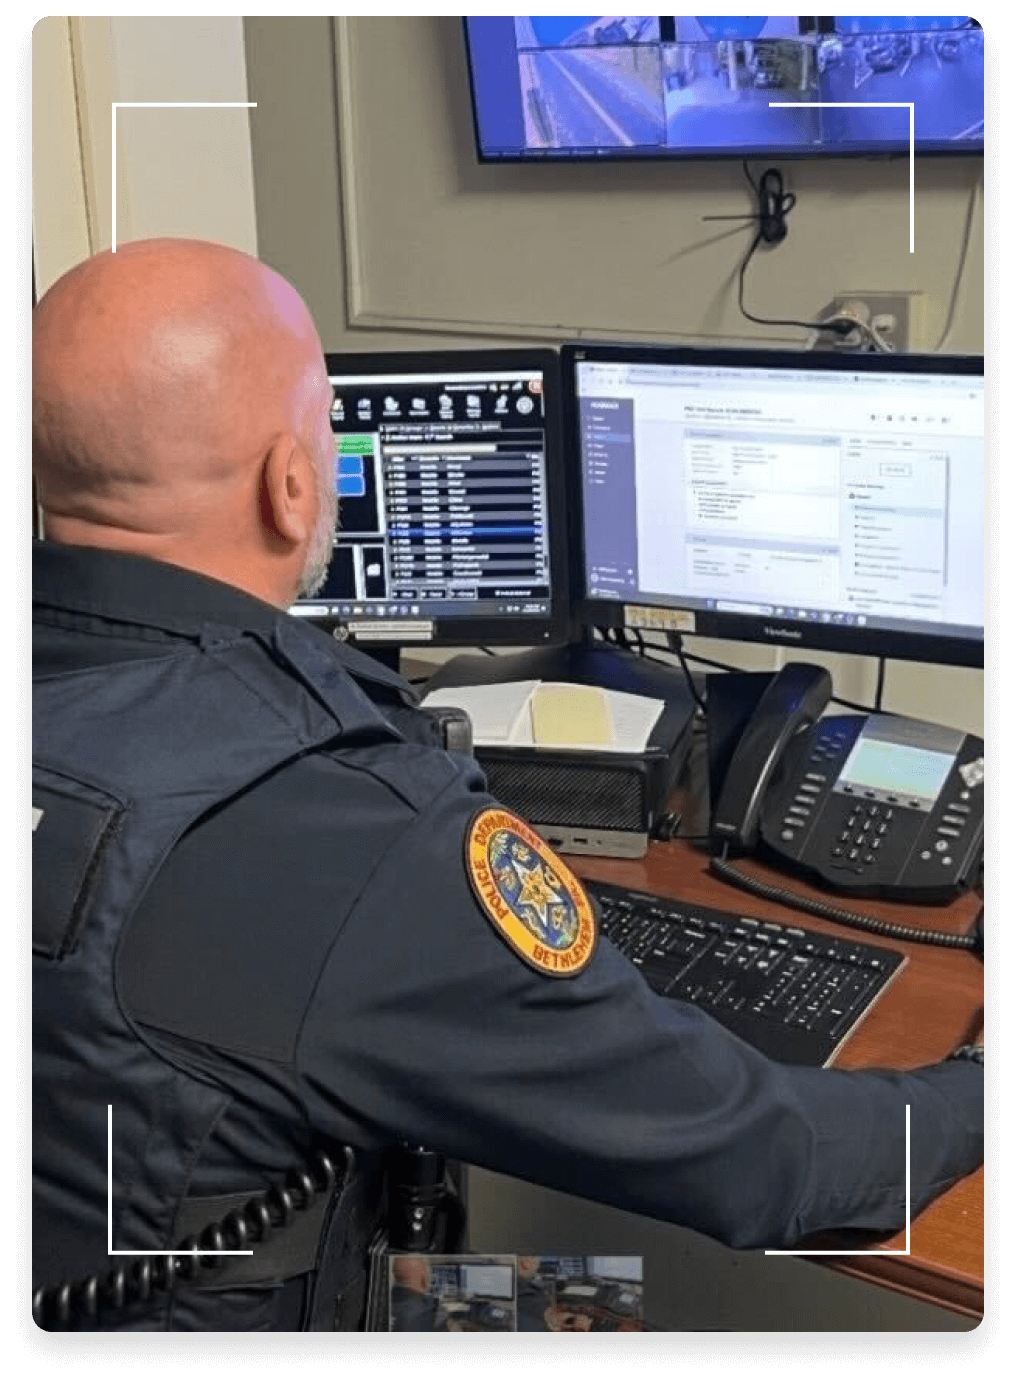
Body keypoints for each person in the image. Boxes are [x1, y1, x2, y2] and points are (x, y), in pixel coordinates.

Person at [32, 239, 984, 1333]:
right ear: (290, 486)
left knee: (577, 1285)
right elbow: (774, 1163)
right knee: (615, 1311)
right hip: (268, 1307)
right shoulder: (342, 823)